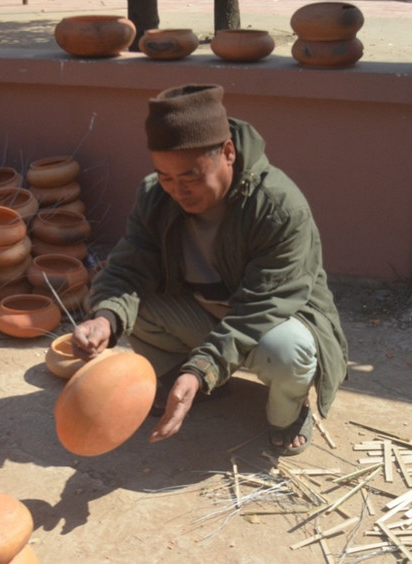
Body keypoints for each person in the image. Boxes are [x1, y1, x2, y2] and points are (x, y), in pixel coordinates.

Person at [71, 83, 348, 456]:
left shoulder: (279, 207)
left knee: (289, 353)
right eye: (165, 176)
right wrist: (105, 318)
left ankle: (288, 413)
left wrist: (201, 368)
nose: (176, 190)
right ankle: (178, 379)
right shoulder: (155, 195)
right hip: (204, 311)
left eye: (190, 176)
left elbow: (260, 309)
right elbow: (129, 265)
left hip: (273, 321)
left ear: (228, 153)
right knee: (127, 305)